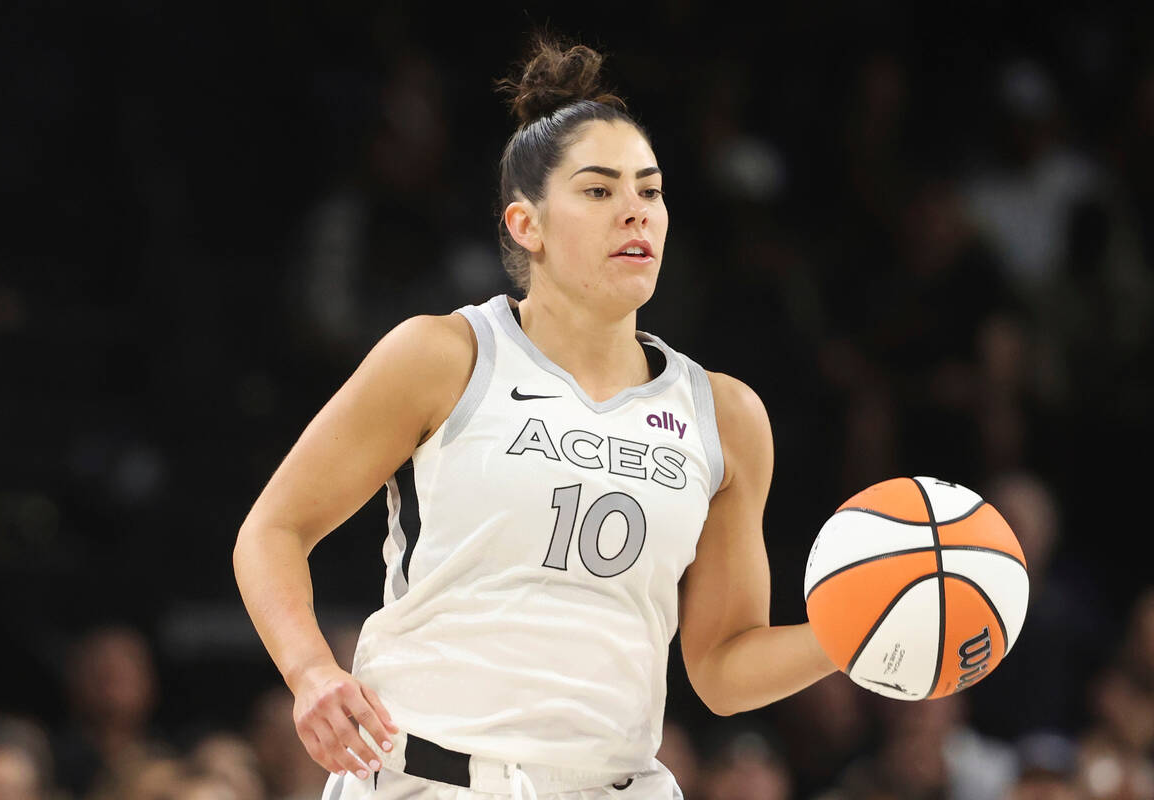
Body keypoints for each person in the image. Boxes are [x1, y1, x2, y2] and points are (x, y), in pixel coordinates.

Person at [232, 32, 836, 800]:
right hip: (430, 778)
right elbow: (271, 532)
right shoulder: (443, 354)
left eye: (650, 191)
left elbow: (720, 669)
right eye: (599, 190)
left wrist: (851, 634)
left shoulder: (726, 413)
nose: (635, 213)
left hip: (617, 783)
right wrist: (311, 671)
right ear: (527, 226)